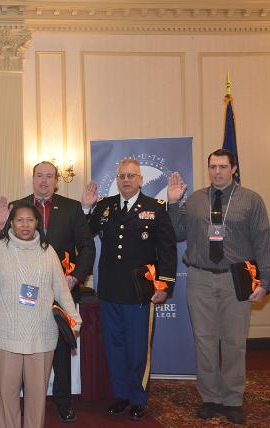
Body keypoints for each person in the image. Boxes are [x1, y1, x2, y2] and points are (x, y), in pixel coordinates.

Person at [166, 149, 270, 424]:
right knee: (204, 341)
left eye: (223, 167)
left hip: (235, 279)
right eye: (212, 166)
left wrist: (265, 282)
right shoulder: (195, 200)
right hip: (199, 277)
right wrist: (172, 203)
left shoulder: (251, 200)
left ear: (234, 169)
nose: (217, 172)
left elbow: (263, 243)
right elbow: (176, 233)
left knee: (234, 342)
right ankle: (210, 397)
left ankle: (233, 399)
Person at [0, 161, 95, 422]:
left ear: (56, 181)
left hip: (63, 289)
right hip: (22, 302)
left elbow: (87, 247)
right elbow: (3, 246)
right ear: (32, 178)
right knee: (23, 363)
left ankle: (63, 401)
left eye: (49, 177)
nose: (44, 181)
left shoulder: (72, 208)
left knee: (59, 351)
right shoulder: (17, 207)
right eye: (39, 176)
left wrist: (75, 277)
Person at [81, 159, 177, 421]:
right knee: (115, 346)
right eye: (122, 175)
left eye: (131, 176)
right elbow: (85, 235)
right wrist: (86, 208)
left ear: (141, 179)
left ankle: (138, 397)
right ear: (117, 178)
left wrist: (165, 284)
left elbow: (167, 250)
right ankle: (121, 394)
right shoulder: (105, 207)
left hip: (140, 293)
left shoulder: (155, 209)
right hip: (110, 290)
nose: (126, 180)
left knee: (137, 348)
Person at [0, 201, 81, 428]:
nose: (25, 225)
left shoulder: (48, 251)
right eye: (19, 220)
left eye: (30, 220)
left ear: (37, 223)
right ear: (11, 222)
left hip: (41, 336)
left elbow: (61, 289)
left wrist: (74, 318)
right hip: (6, 336)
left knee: (36, 398)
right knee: (7, 397)